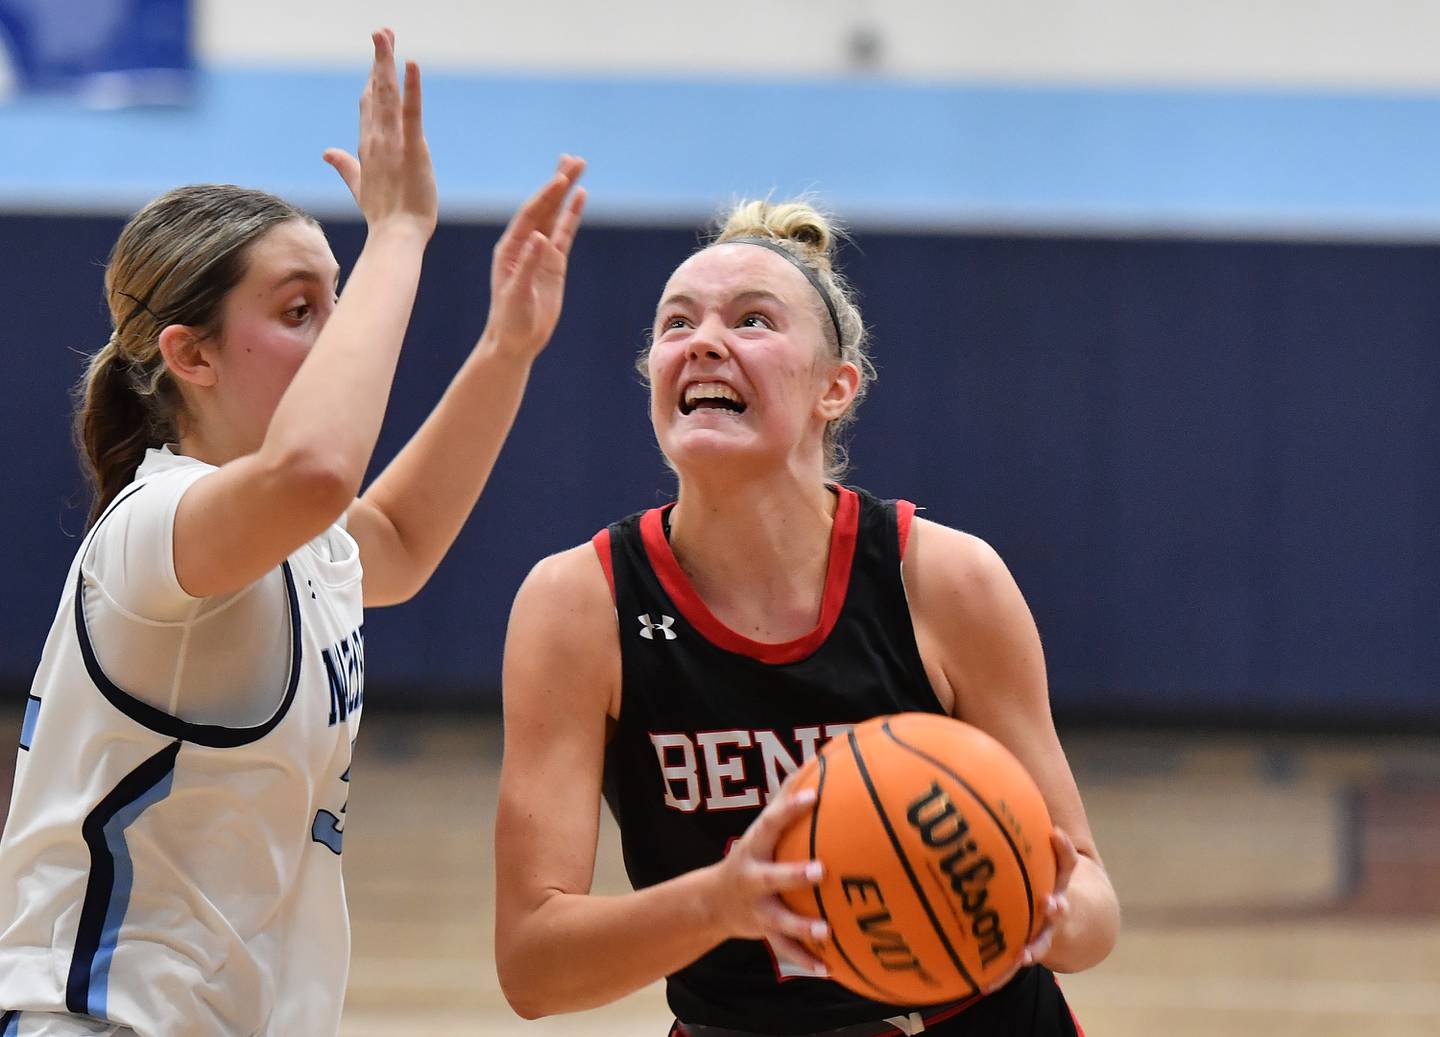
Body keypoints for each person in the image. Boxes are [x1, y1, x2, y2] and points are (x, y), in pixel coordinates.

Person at [0, 29, 585, 1037]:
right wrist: (398, 232)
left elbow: (393, 537)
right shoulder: (157, 526)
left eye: (337, 305)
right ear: (192, 355)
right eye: (300, 309)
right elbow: (318, 473)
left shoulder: (289, 537)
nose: (335, 337)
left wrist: (505, 346)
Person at [494, 199, 1119, 1036]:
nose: (705, 340)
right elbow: (533, 966)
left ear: (836, 387)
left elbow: (1090, 901)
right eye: (677, 323)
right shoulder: (580, 603)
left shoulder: (941, 576)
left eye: (753, 320)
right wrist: (724, 899)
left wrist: (1041, 912)